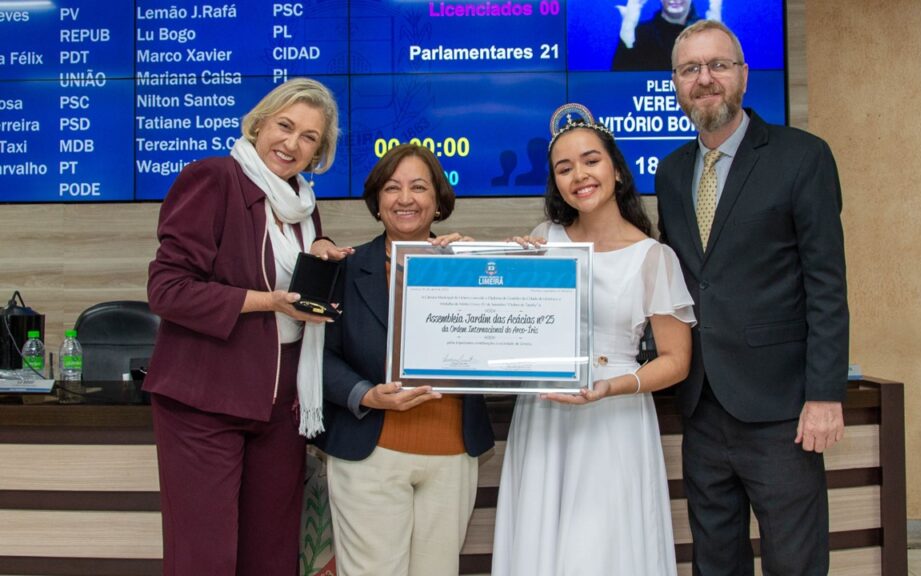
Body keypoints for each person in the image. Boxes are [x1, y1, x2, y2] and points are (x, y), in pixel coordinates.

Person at [655, 20, 849, 574]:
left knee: (794, 561)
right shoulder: (670, 173)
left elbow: (827, 285)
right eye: (691, 69)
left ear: (742, 75)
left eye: (718, 65)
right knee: (716, 560)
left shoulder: (802, 156)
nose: (705, 78)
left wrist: (825, 394)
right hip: (702, 405)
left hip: (782, 409)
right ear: (676, 84)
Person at [146, 77, 351, 575]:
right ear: (259, 123)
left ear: (318, 152)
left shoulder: (303, 207)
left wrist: (320, 259)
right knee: (206, 558)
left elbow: (296, 291)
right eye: (285, 126)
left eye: (309, 137)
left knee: (272, 554)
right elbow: (167, 289)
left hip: (281, 405)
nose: (292, 143)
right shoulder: (213, 179)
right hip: (205, 397)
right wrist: (268, 303)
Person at [492, 103, 696, 576]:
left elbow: (676, 361)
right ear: (556, 183)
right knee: (542, 542)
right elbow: (511, 325)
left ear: (617, 171)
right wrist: (499, 268)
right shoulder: (544, 239)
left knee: (600, 548)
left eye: (590, 160)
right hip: (546, 413)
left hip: (614, 418)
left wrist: (610, 386)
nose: (579, 175)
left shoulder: (654, 257)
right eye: (564, 168)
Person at [316, 143, 494, 576]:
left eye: (419, 186)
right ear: (377, 202)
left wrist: (503, 267)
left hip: (452, 454)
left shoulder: (472, 267)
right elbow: (316, 359)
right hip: (369, 452)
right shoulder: (341, 268)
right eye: (392, 188)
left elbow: (506, 347)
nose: (405, 198)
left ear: (437, 202)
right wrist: (366, 394)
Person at [612, 0, 719, 71]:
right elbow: (620, 85)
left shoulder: (707, 34)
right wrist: (627, 30)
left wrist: (718, 38)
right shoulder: (641, 35)